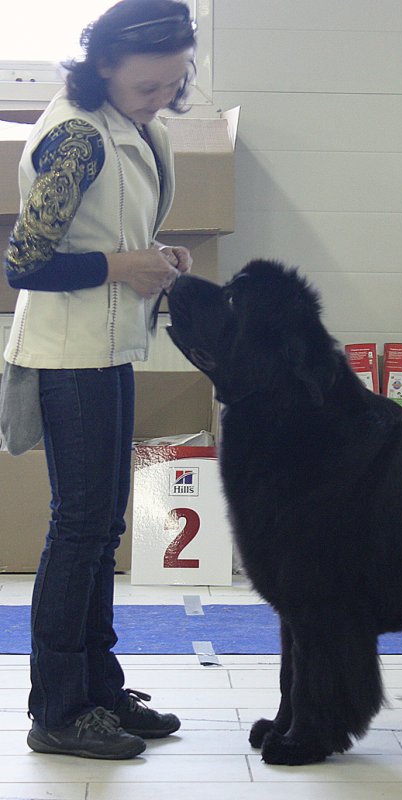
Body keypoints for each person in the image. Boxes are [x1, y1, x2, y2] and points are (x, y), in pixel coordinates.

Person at [2, 0, 197, 760]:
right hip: (67, 356)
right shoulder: (77, 137)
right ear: (105, 63)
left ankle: (98, 691)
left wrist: (151, 251)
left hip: (106, 346)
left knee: (100, 528)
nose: (161, 100)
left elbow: (103, 230)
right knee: (79, 531)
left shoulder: (127, 121)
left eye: (173, 86)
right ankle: (57, 711)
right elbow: (24, 262)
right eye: (149, 86)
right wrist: (126, 265)